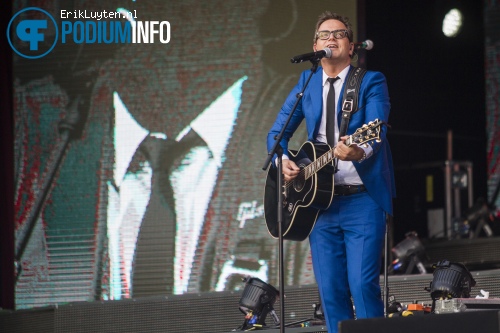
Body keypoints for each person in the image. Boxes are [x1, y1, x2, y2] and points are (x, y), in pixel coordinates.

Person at [266, 11, 396, 333]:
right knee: (330, 291)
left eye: (338, 34)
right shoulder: (306, 83)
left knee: (362, 285)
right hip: (318, 205)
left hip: (361, 199)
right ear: (315, 45)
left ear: (351, 47)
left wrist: (358, 150)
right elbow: (276, 136)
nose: (331, 39)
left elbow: (376, 132)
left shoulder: (370, 81)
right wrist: (282, 160)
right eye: (324, 35)